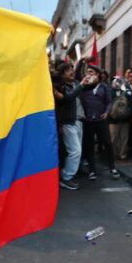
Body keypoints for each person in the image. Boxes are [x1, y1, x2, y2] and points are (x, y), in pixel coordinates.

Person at [79, 63, 120, 179]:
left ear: (98, 74)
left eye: (92, 72)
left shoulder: (104, 87)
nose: (89, 74)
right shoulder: (84, 86)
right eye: (87, 72)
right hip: (88, 120)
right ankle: (92, 170)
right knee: (90, 145)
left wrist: (107, 112)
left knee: (107, 143)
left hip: (101, 119)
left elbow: (109, 102)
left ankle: (112, 167)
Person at [54, 61, 85, 190]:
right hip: (68, 123)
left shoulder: (76, 84)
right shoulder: (61, 87)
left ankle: (66, 174)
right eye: (68, 70)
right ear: (62, 74)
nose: (72, 72)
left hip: (78, 121)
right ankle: (66, 177)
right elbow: (68, 98)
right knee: (75, 151)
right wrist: (82, 85)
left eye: (72, 69)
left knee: (76, 151)